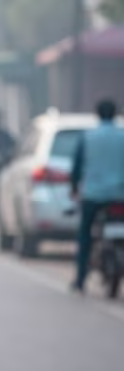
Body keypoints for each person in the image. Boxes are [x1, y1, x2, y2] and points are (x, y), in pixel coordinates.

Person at [70, 98, 124, 293]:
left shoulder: (88, 137)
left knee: (85, 235)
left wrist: (74, 189)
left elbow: (76, 168)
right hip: (119, 195)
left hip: (93, 195)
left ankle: (81, 278)